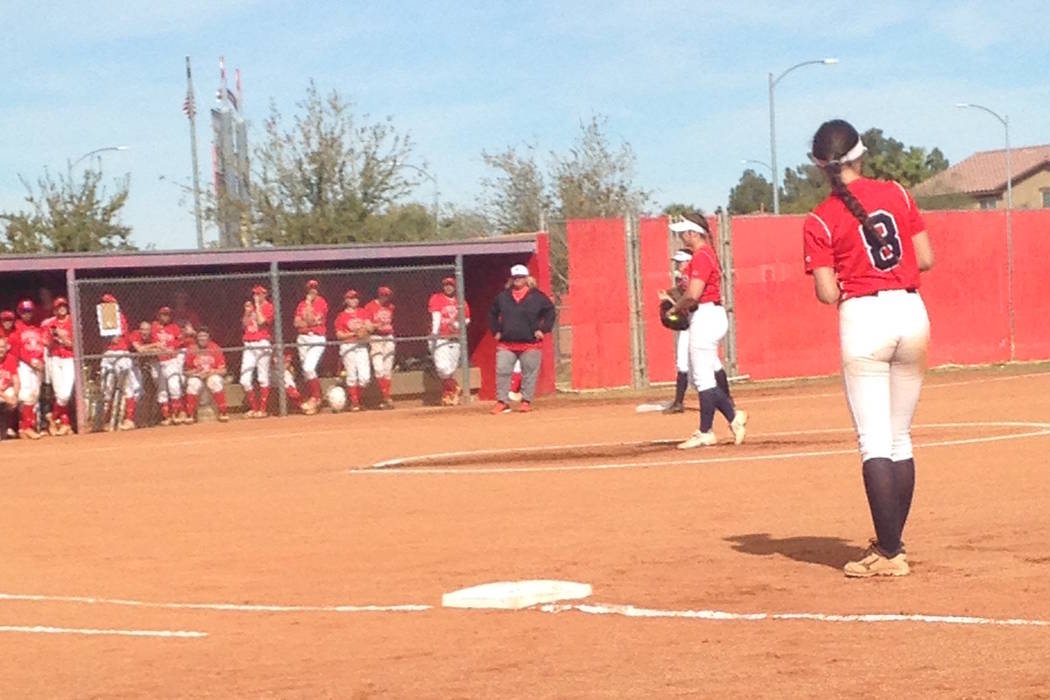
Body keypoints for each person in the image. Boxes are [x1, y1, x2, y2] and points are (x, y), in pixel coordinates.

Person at [802, 119, 935, 578]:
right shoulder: (896, 193)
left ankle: (890, 551)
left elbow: (825, 293)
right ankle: (890, 543)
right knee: (900, 438)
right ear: (861, 154)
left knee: (874, 441)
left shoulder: (820, 217)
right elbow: (926, 258)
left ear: (821, 166)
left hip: (864, 317)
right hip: (911, 311)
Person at [664, 215, 747, 448]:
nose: (681, 236)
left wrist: (674, 310)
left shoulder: (702, 256)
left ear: (693, 233)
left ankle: (706, 431)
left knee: (701, 378)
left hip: (705, 315)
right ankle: (731, 418)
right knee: (702, 378)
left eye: (683, 232)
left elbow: (693, 294)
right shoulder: (704, 255)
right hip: (707, 315)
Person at [488, 264, 556, 414]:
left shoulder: (537, 296)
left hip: (530, 343)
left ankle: (526, 401)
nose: (517, 280)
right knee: (502, 371)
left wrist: (543, 330)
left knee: (529, 374)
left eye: (520, 277)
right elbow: (492, 313)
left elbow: (550, 312)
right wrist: (496, 331)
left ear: (527, 279)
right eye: (515, 277)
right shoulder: (503, 296)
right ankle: (502, 401)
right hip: (506, 343)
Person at [660, 249, 695, 414]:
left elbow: (691, 302)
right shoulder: (682, 281)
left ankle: (726, 399)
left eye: (681, 262)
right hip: (688, 326)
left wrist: (671, 302)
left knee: (706, 365)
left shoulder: (692, 280)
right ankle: (679, 402)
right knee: (682, 363)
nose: (678, 265)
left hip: (697, 324)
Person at [97, 293, 138, 431]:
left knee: (128, 386)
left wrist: (115, 337)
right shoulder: (101, 317)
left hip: (121, 352)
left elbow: (120, 337)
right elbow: (106, 338)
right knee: (107, 387)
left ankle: (129, 419)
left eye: (109, 303)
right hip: (108, 354)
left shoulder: (120, 317)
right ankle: (108, 421)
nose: (106, 306)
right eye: (104, 303)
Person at [428, 276, 471, 406]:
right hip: (441, 338)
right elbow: (436, 317)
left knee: (450, 370)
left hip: (455, 338)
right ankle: (455, 387)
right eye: (446, 285)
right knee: (442, 368)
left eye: (451, 285)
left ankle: (448, 395)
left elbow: (468, 319)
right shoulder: (437, 298)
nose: (448, 287)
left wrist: (458, 325)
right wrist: (435, 334)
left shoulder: (461, 301)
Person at [11, 300, 48, 439]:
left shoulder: (37, 327)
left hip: (37, 364)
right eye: (24, 311)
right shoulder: (17, 327)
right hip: (24, 364)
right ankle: (25, 427)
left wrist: (41, 361)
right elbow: (17, 349)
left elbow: (42, 347)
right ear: (19, 312)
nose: (27, 314)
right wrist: (30, 361)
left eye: (29, 311)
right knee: (26, 394)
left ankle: (27, 426)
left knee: (35, 394)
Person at [41, 297, 75, 435]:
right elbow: (45, 343)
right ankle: (64, 423)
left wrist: (63, 338)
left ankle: (52, 417)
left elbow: (74, 345)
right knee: (58, 392)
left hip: (68, 358)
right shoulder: (50, 323)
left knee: (65, 394)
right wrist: (53, 338)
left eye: (64, 306)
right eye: (59, 306)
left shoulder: (72, 321)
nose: (62, 308)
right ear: (55, 309)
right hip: (55, 358)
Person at [293, 279, 328, 414]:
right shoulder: (301, 304)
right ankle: (314, 398)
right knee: (307, 371)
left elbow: (310, 320)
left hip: (317, 338)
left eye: (314, 288)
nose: (312, 291)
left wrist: (308, 304)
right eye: (310, 288)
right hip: (302, 338)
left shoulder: (321, 302)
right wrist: (305, 321)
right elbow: (296, 323)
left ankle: (316, 397)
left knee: (309, 367)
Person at [241, 285, 275, 418]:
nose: (256, 296)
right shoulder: (250, 308)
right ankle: (254, 408)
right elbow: (244, 325)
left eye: (259, 294)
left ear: (265, 295)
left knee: (262, 377)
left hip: (262, 343)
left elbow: (261, 321)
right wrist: (247, 312)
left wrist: (257, 305)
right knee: (244, 379)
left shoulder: (268, 306)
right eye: (255, 294)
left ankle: (263, 409)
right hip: (249, 343)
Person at [334, 289, 371, 412]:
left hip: (361, 346)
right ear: (346, 300)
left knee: (365, 377)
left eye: (355, 297)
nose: (354, 300)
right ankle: (355, 403)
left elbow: (369, 326)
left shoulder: (362, 312)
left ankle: (356, 399)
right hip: (348, 346)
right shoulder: (341, 316)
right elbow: (339, 335)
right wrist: (354, 333)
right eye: (350, 298)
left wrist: (366, 329)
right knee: (352, 375)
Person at [184, 327, 230, 423]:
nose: (202, 338)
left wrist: (210, 372)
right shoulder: (192, 349)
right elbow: (186, 372)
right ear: (197, 337)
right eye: (200, 336)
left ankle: (223, 412)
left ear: (209, 338)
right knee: (193, 383)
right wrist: (196, 372)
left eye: (205, 336)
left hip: (211, 375)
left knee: (215, 381)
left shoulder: (215, 348)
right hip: (198, 376)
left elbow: (223, 370)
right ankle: (190, 414)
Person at [153, 306, 189, 425]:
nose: (166, 317)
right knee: (162, 389)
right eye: (163, 314)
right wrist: (157, 346)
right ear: (159, 315)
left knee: (174, 386)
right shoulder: (153, 326)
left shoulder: (174, 327)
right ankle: (166, 417)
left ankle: (176, 414)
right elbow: (147, 339)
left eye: (167, 315)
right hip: (158, 361)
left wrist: (173, 347)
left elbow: (181, 341)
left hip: (171, 360)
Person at [363, 286, 396, 409]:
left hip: (389, 338)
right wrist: (376, 325)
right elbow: (368, 327)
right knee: (378, 368)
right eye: (383, 295)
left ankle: (385, 399)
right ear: (379, 295)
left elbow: (390, 323)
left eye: (387, 295)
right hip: (376, 338)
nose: (385, 297)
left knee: (387, 370)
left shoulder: (391, 307)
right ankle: (386, 397)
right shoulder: (370, 306)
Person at [0, 337, 21, 439]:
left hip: (4, 390)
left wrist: (15, 396)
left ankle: (11, 428)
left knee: (22, 396)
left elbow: (16, 380)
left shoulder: (11, 359)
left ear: (7, 348)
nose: (1, 349)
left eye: (3, 347)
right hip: (1, 393)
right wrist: (7, 398)